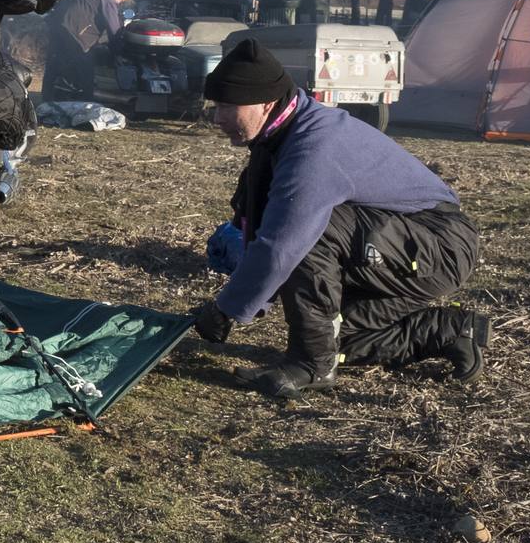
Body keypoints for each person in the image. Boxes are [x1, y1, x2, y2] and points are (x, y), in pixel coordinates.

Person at [192, 39, 489, 398]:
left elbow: (282, 241)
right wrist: (245, 300)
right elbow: (262, 230)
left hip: (438, 246)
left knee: (310, 230)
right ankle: (450, 331)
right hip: (393, 245)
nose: (218, 117)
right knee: (333, 336)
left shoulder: (314, 148)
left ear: (266, 103)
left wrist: (228, 309)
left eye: (228, 106)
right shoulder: (280, 134)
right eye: (216, 105)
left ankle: (312, 365)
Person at [41, 0, 131, 102]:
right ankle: (87, 103)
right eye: (121, 1)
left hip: (58, 26)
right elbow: (113, 28)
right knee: (86, 69)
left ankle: (46, 100)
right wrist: (118, 52)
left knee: (54, 64)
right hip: (78, 33)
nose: (119, 4)